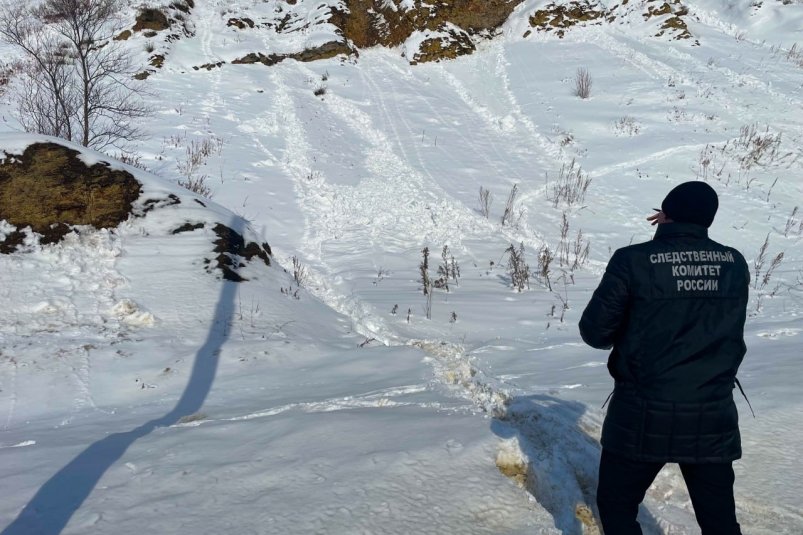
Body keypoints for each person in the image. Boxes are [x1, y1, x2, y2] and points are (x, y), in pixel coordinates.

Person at [579, 181, 750, 535]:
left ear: (664, 215)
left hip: (643, 410)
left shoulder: (633, 260)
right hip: (711, 411)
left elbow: (595, 333)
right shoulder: (734, 263)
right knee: (719, 520)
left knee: (617, 506)